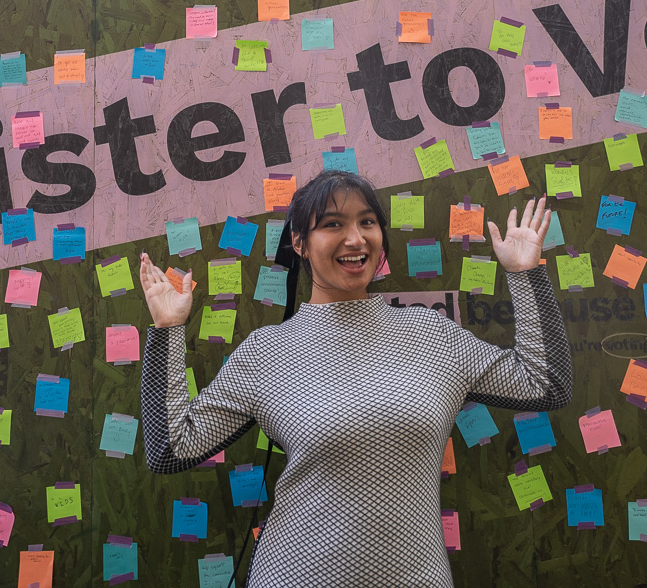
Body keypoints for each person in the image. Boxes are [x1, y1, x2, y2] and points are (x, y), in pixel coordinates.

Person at [139, 170, 572, 587]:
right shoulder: (267, 351)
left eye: (367, 222)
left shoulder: (430, 333)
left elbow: (543, 383)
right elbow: (172, 446)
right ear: (300, 243)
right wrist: (167, 329)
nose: (355, 238)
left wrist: (523, 272)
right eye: (333, 224)